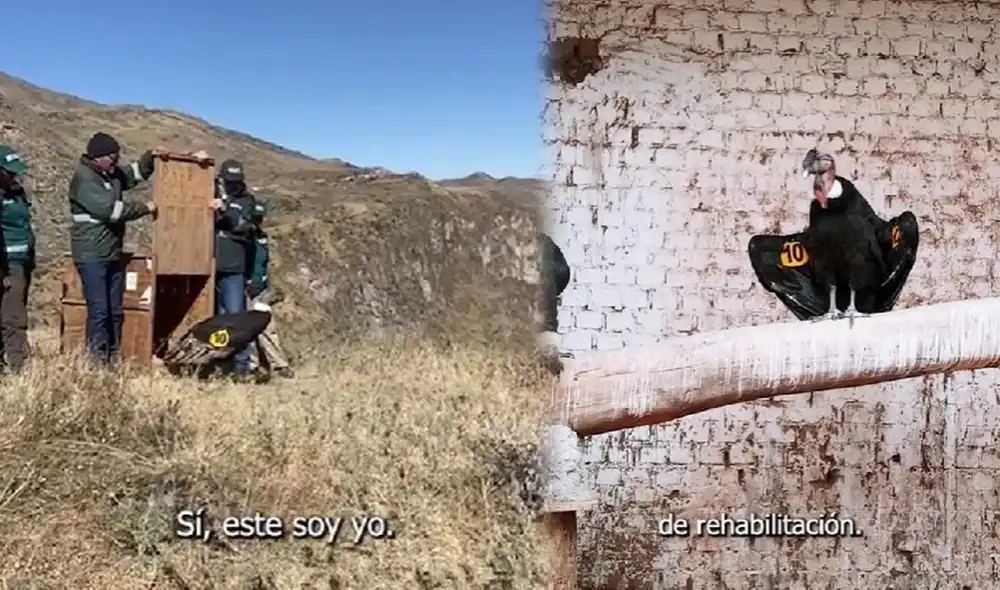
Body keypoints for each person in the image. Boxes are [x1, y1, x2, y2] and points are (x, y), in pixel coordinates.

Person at [69, 132, 156, 366]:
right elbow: (110, 211)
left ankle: (113, 357)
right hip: (91, 255)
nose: (117, 162)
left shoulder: (110, 174)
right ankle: (95, 363)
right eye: (113, 158)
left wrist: (152, 158)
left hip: (111, 253)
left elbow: (132, 174)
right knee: (99, 311)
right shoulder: (85, 179)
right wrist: (146, 207)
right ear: (98, 157)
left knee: (115, 310)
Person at [213, 158, 256, 380]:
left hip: (233, 267)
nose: (232, 185)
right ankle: (220, 362)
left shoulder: (247, 201)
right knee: (216, 319)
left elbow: (243, 226)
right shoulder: (211, 190)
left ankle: (241, 365)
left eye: (235, 182)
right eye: (228, 181)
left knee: (235, 316)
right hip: (208, 268)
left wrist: (226, 210)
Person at [245, 199, 293, 378]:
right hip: (245, 289)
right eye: (253, 218)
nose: (256, 222)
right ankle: (253, 366)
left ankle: (279, 365)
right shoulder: (242, 238)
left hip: (261, 290)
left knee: (267, 327)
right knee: (247, 330)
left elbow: (263, 264)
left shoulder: (263, 237)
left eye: (259, 218)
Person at [0, 145, 36, 372]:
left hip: (22, 262)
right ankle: (17, 366)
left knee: (12, 312)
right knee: (13, 317)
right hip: (7, 264)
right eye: (10, 172)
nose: (14, 176)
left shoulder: (17, 192)